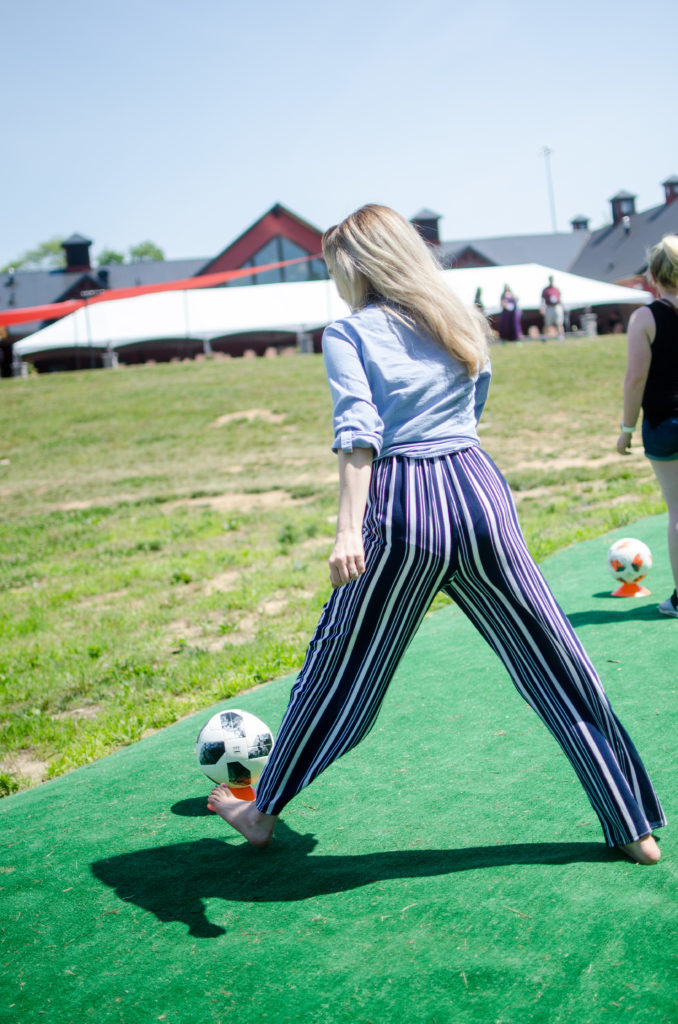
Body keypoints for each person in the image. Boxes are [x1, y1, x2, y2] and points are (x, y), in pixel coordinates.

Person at [209, 204, 664, 864]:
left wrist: (346, 531)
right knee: (554, 660)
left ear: (359, 266)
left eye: (337, 265)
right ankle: (632, 825)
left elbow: (359, 436)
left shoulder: (348, 333)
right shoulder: (460, 321)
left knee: (342, 667)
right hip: (481, 492)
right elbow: (473, 406)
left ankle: (262, 811)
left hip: (405, 507)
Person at [617, 234, 678, 618]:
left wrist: (625, 428)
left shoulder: (644, 318)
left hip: (664, 424)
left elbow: (635, 379)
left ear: (653, 275)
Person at [541, 276, 564, 341]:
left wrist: (562, 307)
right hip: (549, 307)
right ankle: (544, 337)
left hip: (557, 306)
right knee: (547, 323)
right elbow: (542, 300)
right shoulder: (545, 290)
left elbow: (560, 298)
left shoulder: (556, 289)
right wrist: (542, 308)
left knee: (559, 322)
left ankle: (561, 337)